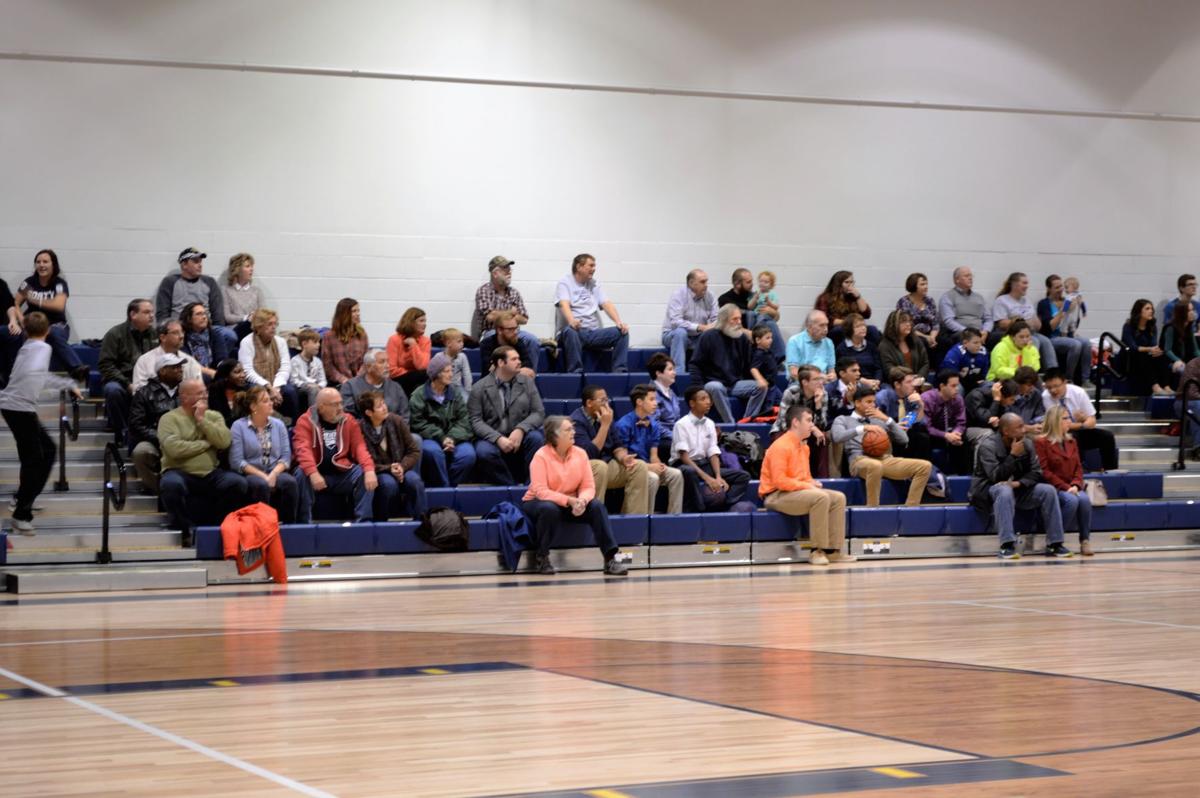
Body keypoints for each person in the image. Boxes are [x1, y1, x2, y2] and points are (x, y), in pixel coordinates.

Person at [0, 312, 83, 535]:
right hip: (19, 408)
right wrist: (68, 383)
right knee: (36, 459)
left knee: (44, 453)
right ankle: (21, 513)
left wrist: (67, 384)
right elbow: (37, 373)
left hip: (15, 406)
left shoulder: (26, 346)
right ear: (48, 331)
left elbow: (39, 375)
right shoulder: (43, 348)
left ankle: (24, 498)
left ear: (25, 331)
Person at [521, 416, 629, 576]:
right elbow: (541, 491)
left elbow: (588, 486)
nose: (574, 432)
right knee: (549, 509)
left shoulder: (580, 454)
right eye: (568, 429)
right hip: (538, 502)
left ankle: (612, 559)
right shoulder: (540, 456)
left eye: (573, 428)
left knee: (597, 507)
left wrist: (582, 501)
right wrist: (569, 500)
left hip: (571, 502)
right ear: (555, 435)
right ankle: (542, 558)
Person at [968, 412, 1071, 560]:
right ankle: (1007, 545)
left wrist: (1018, 484)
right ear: (1006, 431)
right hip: (989, 492)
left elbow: (1036, 472)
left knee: (1048, 490)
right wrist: (1013, 456)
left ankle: (1055, 543)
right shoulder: (987, 446)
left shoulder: (1027, 443)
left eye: (1023, 426)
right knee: (1004, 490)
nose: (1024, 430)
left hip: (1017, 489)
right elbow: (995, 477)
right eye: (1019, 427)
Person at [760, 405, 854, 566]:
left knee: (838, 497)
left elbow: (803, 477)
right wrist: (806, 485)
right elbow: (779, 481)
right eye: (809, 420)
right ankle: (817, 551)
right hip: (775, 495)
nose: (812, 425)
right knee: (820, 497)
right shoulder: (780, 446)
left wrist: (810, 482)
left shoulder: (804, 447)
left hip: (794, 492)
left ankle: (833, 551)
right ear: (796, 422)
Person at [158, 379, 248, 547]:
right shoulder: (169, 419)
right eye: (200, 393)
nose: (205, 396)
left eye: (205, 392)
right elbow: (174, 450)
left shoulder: (213, 416)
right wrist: (207, 444)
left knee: (237, 483)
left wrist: (201, 420)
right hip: (179, 471)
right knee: (170, 484)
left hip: (210, 473)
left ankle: (218, 528)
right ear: (184, 397)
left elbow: (224, 442)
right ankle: (185, 530)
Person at [830, 386, 932, 507]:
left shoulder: (878, 420)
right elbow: (837, 437)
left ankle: (910, 508)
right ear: (857, 403)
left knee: (924, 466)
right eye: (869, 402)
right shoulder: (843, 419)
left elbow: (904, 439)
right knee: (875, 466)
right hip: (859, 460)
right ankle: (873, 509)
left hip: (884, 459)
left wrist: (887, 419)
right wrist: (863, 428)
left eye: (874, 402)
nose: (873, 405)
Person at [293, 387, 377, 524]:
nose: (340, 408)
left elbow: (360, 447)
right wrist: (313, 473)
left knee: (363, 472)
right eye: (335, 404)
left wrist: (369, 469)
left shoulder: (348, 420)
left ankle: (364, 523)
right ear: (321, 407)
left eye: (341, 403)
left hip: (342, 474)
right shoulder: (305, 421)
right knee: (301, 473)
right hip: (316, 473)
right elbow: (303, 450)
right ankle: (304, 523)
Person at [469, 345, 546, 485]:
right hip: (492, 436)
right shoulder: (479, 387)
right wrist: (497, 438)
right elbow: (475, 420)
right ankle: (510, 487)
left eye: (519, 358)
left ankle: (531, 485)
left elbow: (538, 412)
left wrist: (521, 429)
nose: (519, 362)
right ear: (500, 363)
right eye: (514, 359)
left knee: (536, 438)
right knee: (484, 452)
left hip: (520, 433)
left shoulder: (527, 382)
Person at [9, 249, 90, 382]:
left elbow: (59, 305)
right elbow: (16, 303)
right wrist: (21, 320)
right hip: (32, 326)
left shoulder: (59, 283)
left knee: (54, 333)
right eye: (38, 262)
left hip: (56, 324)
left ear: (53, 265)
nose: (41, 265)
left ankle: (76, 369)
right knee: (13, 335)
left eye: (45, 262)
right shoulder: (29, 283)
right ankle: (14, 375)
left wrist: (35, 299)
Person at [570, 385, 650, 515]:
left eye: (607, 400)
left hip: (606, 465)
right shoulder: (576, 421)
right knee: (600, 466)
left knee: (639, 466)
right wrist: (604, 425)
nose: (606, 404)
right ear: (589, 403)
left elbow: (617, 444)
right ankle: (595, 517)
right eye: (602, 400)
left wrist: (623, 458)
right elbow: (589, 454)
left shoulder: (605, 417)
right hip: (585, 469)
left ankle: (633, 520)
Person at [669, 385, 751, 512]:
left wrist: (718, 476)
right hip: (685, 465)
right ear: (692, 403)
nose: (708, 402)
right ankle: (699, 509)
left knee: (743, 476)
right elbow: (684, 457)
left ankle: (724, 504)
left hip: (704, 464)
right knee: (689, 472)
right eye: (703, 399)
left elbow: (713, 452)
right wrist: (708, 478)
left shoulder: (710, 423)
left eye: (708, 398)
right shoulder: (681, 424)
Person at [688, 305, 769, 424]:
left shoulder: (741, 338)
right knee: (716, 387)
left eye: (740, 318)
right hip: (712, 383)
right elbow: (695, 364)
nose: (739, 322)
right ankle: (730, 424)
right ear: (724, 320)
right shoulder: (708, 336)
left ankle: (746, 422)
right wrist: (699, 389)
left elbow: (749, 364)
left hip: (734, 384)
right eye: (735, 319)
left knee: (761, 386)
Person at [230, 386, 299, 524]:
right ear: (253, 406)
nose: (271, 403)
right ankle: (264, 526)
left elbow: (286, 457)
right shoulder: (238, 426)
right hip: (251, 473)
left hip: (274, 470)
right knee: (260, 485)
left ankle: (290, 526)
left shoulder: (279, 425)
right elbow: (237, 461)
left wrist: (273, 474)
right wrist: (263, 476)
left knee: (289, 482)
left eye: (270, 400)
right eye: (265, 401)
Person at [612, 383, 684, 514]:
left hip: (647, 465)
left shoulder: (654, 424)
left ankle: (674, 517)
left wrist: (658, 465)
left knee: (676, 475)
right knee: (652, 478)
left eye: (655, 399)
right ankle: (646, 517)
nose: (656, 403)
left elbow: (653, 455)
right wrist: (650, 467)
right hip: (630, 467)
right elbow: (625, 460)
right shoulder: (623, 425)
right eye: (651, 399)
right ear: (639, 402)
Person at [408, 352, 477, 487]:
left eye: (451, 370)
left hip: (455, 438)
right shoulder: (419, 395)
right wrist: (441, 437)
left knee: (468, 455)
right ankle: (444, 489)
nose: (451, 374)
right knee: (434, 453)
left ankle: (450, 488)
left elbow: (464, 420)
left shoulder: (456, 393)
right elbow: (418, 423)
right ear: (436, 374)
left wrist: (451, 438)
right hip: (431, 438)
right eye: (446, 371)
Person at [357, 389, 425, 521]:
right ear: (369, 412)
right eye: (379, 406)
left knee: (415, 481)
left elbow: (413, 450)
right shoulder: (360, 429)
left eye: (384, 403)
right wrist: (389, 468)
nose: (384, 407)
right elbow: (362, 461)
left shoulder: (396, 421)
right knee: (388, 484)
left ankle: (422, 522)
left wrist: (402, 466)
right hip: (379, 471)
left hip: (402, 467)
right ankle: (382, 523)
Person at [555, 253, 630, 373]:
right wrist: (572, 321)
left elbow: (606, 304)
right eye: (591, 265)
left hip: (593, 333)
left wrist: (618, 322)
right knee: (570, 330)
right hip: (575, 332)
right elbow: (564, 304)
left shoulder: (594, 283)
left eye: (594, 266)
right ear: (579, 267)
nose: (594, 269)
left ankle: (619, 372)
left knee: (622, 333)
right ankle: (576, 372)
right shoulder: (565, 283)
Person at [1036, 405, 1094, 556]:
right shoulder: (1041, 442)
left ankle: (1085, 540)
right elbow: (1044, 471)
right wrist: (1065, 487)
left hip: (1071, 485)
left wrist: (1075, 484)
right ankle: (1054, 541)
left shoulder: (1071, 441)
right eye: (1066, 418)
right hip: (1053, 486)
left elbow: (1078, 467)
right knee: (1071, 501)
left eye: (1069, 418)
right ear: (1055, 421)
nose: (1070, 421)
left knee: (1084, 500)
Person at [98, 298, 158, 445]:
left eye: (152, 312)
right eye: (146, 312)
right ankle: (123, 431)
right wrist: (127, 384)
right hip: (122, 380)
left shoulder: (155, 334)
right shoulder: (115, 334)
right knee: (113, 390)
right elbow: (106, 365)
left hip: (148, 380)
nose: (151, 316)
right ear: (133, 314)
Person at [155, 248, 237, 351]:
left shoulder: (209, 282)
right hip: (181, 326)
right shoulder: (170, 282)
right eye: (195, 261)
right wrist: (169, 329)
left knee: (230, 336)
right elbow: (162, 313)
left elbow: (217, 312)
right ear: (184, 265)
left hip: (205, 326)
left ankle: (216, 358)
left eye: (200, 261)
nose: (200, 265)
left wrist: (215, 332)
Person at [1041, 368, 1118, 471]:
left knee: (1107, 436)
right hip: (1059, 433)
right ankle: (1077, 470)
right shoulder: (1045, 396)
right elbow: (1058, 425)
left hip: (1081, 430)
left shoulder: (1079, 393)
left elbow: (1092, 422)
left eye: (1056, 386)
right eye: (1049, 387)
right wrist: (1081, 423)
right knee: (1072, 437)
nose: (1053, 391)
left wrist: (1082, 422)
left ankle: (1110, 470)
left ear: (1065, 382)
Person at [128, 353, 184, 495]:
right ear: (163, 371)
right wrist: (161, 437)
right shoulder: (144, 393)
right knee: (141, 452)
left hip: (184, 438)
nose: (180, 370)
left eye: (180, 367)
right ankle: (159, 489)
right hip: (154, 439)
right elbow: (136, 425)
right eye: (175, 367)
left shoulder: (187, 391)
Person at [473, 255, 541, 368]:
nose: (509, 272)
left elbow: (524, 319)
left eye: (510, 269)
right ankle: (495, 374)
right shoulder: (484, 291)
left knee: (532, 340)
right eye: (505, 269)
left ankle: (528, 373)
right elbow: (490, 317)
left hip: (514, 331)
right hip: (492, 331)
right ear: (495, 273)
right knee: (493, 337)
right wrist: (512, 312)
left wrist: (500, 314)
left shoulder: (514, 292)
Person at [772, 365, 834, 478]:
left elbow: (822, 426)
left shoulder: (823, 394)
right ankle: (783, 477)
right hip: (785, 431)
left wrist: (818, 405)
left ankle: (822, 479)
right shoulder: (791, 393)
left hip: (808, 432)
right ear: (805, 382)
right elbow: (784, 423)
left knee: (823, 438)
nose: (821, 382)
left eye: (821, 378)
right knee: (781, 438)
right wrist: (811, 429)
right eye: (816, 379)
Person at [238, 308, 299, 421]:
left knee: (290, 391)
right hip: (257, 383)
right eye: (270, 324)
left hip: (277, 383)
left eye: (275, 324)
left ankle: (293, 425)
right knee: (257, 392)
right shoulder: (246, 342)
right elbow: (247, 371)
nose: (273, 327)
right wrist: (268, 387)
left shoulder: (280, 341)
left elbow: (285, 367)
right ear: (259, 326)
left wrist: (276, 388)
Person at [717, 268, 786, 361]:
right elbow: (727, 324)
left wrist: (771, 311)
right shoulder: (725, 299)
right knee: (756, 318)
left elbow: (776, 317)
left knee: (771, 323)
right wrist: (749, 333)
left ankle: (778, 358)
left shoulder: (754, 295)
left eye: (752, 281)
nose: (752, 284)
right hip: (740, 333)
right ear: (737, 284)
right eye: (748, 282)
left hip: (759, 329)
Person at [992, 272, 1058, 368]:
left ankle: (1052, 371)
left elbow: (1037, 326)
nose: (1027, 286)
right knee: (1034, 341)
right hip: (1013, 333)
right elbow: (1001, 324)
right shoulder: (1002, 300)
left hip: (1030, 331)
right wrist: (1019, 322)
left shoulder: (1027, 300)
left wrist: (1036, 322)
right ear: (1014, 284)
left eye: (1027, 283)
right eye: (1024, 283)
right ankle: (1028, 370)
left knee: (1046, 341)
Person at [1036, 275, 1091, 386]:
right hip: (1053, 337)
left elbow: (1075, 321)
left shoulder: (1069, 299)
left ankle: (1085, 379)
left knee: (1086, 343)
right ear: (1049, 289)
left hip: (1068, 334)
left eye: (1061, 286)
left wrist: (1077, 310)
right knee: (1076, 345)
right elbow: (1049, 327)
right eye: (1056, 287)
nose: (1061, 290)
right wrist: (1063, 311)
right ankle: (1068, 378)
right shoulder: (1044, 304)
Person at [661, 269, 718, 370]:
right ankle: (679, 372)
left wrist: (713, 326)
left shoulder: (710, 296)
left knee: (715, 333)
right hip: (672, 335)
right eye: (702, 282)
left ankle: (711, 372)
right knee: (680, 332)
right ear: (691, 283)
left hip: (697, 337)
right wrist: (699, 327)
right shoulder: (678, 295)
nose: (706, 285)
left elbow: (716, 318)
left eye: (706, 281)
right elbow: (676, 322)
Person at [340, 348, 411, 420]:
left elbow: (405, 416)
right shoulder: (350, 387)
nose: (387, 366)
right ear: (368, 367)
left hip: (393, 426)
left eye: (387, 362)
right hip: (361, 427)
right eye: (382, 362)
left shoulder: (395, 387)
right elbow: (349, 418)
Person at [132, 319, 202, 391]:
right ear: (163, 337)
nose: (181, 336)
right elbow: (138, 391)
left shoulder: (190, 362)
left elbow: (199, 390)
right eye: (175, 333)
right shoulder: (144, 361)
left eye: (182, 332)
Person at [922, 370, 970, 475]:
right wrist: (945, 435)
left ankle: (961, 475)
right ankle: (929, 474)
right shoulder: (927, 399)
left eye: (957, 385)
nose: (957, 389)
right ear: (942, 386)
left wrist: (956, 433)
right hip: (933, 434)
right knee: (922, 437)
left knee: (962, 436)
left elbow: (961, 422)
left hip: (950, 431)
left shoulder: (958, 399)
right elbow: (927, 427)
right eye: (953, 386)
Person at [1121, 298, 1172, 395]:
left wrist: (1157, 350)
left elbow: (1153, 344)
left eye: (1152, 309)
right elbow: (1132, 347)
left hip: (1145, 355)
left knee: (1162, 356)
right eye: (1147, 309)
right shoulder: (1128, 326)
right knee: (1143, 356)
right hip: (1129, 358)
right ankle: (1155, 387)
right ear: (1139, 311)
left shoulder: (1152, 326)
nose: (1151, 311)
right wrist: (1150, 349)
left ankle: (1166, 386)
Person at [938, 265, 994, 344]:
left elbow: (988, 319)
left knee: (1000, 336)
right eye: (966, 276)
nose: (970, 278)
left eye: (971, 276)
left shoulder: (979, 297)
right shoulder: (947, 297)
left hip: (981, 332)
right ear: (957, 280)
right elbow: (948, 321)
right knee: (963, 338)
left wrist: (986, 331)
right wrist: (969, 333)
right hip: (961, 333)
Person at [321, 298, 370, 387]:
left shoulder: (362, 334)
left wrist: (357, 379)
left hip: (360, 381)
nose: (358, 314)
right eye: (354, 311)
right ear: (344, 314)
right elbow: (328, 365)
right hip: (338, 383)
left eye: (358, 311)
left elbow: (366, 360)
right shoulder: (329, 336)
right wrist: (342, 379)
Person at [387, 306, 432, 397]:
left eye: (425, 321)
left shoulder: (426, 341)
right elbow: (391, 370)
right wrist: (410, 373)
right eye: (421, 321)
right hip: (398, 379)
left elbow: (423, 366)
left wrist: (414, 345)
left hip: (419, 378)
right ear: (411, 322)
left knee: (427, 376)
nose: (425, 324)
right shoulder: (394, 339)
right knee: (421, 378)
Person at [178, 301, 229, 380]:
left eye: (205, 313)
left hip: (215, 374)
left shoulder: (214, 334)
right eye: (199, 314)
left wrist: (222, 369)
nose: (204, 317)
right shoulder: (182, 337)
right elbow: (187, 363)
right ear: (189, 318)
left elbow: (222, 358)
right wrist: (210, 373)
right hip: (190, 375)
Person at [479, 310, 537, 378]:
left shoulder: (518, 343)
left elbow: (528, 368)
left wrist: (504, 369)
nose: (515, 332)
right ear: (499, 330)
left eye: (516, 328)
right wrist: (517, 369)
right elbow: (489, 371)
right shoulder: (487, 344)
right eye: (511, 329)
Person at [814, 270, 871, 337]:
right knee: (840, 330)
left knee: (872, 330)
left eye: (852, 282)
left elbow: (866, 314)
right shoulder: (825, 297)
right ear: (838, 284)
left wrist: (858, 297)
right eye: (847, 282)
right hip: (834, 329)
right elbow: (823, 319)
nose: (850, 285)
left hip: (853, 327)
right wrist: (848, 322)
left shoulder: (853, 296)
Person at [647, 353, 681, 463]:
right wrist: (676, 436)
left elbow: (677, 420)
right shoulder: (651, 394)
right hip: (660, 440)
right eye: (670, 369)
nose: (674, 373)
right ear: (658, 373)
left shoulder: (672, 393)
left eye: (674, 369)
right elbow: (654, 424)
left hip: (673, 437)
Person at [878, 310, 930, 383]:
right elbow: (889, 369)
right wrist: (909, 380)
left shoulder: (916, 341)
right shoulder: (884, 345)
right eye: (903, 321)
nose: (908, 324)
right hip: (897, 384)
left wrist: (919, 377)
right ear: (894, 325)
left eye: (909, 321)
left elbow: (925, 363)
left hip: (918, 382)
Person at [965, 378, 1019, 448]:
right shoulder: (976, 396)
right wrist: (996, 400)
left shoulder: (1003, 403)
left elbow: (998, 422)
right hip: (968, 428)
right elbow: (986, 419)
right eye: (1011, 399)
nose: (1013, 402)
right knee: (989, 434)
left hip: (987, 428)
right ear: (1001, 396)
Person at [220, 252, 262, 340]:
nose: (251, 269)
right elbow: (227, 317)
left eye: (251, 266)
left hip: (254, 329)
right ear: (237, 269)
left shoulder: (257, 291)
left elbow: (263, 314)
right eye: (247, 266)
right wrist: (246, 318)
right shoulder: (225, 290)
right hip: (235, 331)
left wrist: (255, 318)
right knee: (249, 324)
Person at [785, 310, 837, 383]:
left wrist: (832, 376)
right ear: (809, 326)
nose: (826, 329)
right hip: (801, 384)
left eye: (826, 325)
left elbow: (831, 370)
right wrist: (818, 378)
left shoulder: (829, 342)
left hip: (824, 384)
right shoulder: (794, 341)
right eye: (821, 325)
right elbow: (794, 372)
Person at [896, 273, 939, 353]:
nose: (926, 287)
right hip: (912, 333)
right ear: (913, 286)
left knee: (944, 341)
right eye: (922, 284)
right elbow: (905, 326)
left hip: (930, 333)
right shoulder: (904, 302)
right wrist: (926, 337)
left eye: (926, 284)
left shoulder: (929, 300)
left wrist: (932, 337)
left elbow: (935, 323)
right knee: (922, 342)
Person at [835, 313, 883, 383]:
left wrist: (877, 381)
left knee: (887, 389)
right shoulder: (842, 349)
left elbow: (878, 368)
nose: (863, 328)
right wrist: (863, 382)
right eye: (858, 326)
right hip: (854, 383)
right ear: (849, 329)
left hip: (874, 382)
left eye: (864, 325)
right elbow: (843, 373)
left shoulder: (871, 346)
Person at [940, 326, 989, 393]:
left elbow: (984, 374)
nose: (979, 346)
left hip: (975, 383)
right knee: (957, 388)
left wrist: (981, 380)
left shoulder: (984, 352)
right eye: (975, 343)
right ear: (965, 343)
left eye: (980, 342)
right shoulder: (955, 353)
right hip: (959, 382)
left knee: (990, 385)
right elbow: (949, 377)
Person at [288, 328, 327, 410]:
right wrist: (308, 384)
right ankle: (313, 414)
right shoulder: (295, 361)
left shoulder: (318, 361)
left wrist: (320, 386)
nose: (318, 345)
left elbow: (323, 380)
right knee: (313, 390)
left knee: (328, 391)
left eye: (319, 342)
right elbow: (294, 380)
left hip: (317, 387)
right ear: (304, 344)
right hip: (302, 388)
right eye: (315, 342)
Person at [1160, 303, 1198, 386]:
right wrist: (1178, 360)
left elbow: (1195, 350)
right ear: (1181, 313)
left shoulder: (1189, 328)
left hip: (1185, 360)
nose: (1192, 312)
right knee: (1185, 370)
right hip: (1170, 361)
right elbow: (1167, 350)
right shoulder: (1171, 327)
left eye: (1192, 309)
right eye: (1189, 310)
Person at [749, 325, 783, 412]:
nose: (771, 340)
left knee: (782, 403)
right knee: (767, 408)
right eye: (767, 338)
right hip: (768, 388)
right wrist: (760, 380)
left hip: (773, 386)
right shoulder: (758, 354)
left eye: (771, 337)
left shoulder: (768, 351)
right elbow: (754, 368)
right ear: (758, 340)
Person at [207, 359, 249, 428]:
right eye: (237, 372)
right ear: (226, 376)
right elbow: (218, 418)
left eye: (243, 371)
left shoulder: (247, 390)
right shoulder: (214, 391)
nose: (243, 375)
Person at [1176, 355, 1200, 459]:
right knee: (1198, 407)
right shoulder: (1193, 365)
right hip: (1185, 402)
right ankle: (1198, 448)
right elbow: (1190, 393)